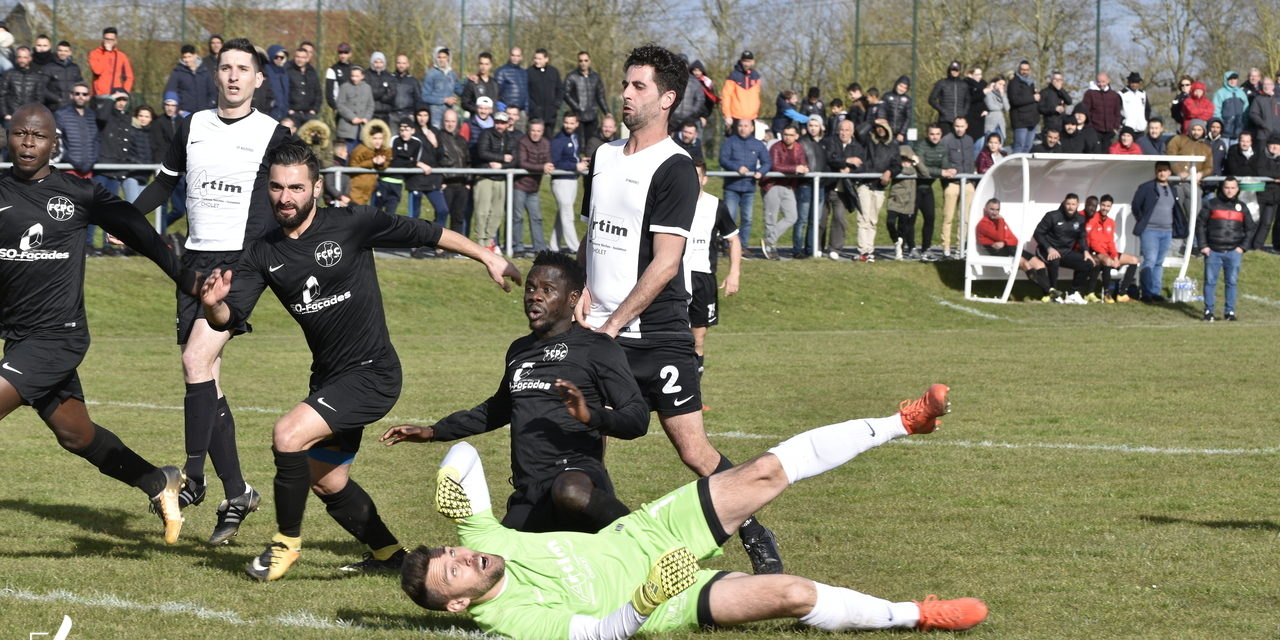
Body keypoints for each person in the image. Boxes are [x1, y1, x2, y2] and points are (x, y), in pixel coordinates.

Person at [399, 384, 989, 638]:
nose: (464, 557)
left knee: (764, 470)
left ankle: (905, 421)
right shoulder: (513, 620)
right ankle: (917, 615)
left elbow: (463, 456)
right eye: (454, 571)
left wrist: (451, 482)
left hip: (646, 533)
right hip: (666, 599)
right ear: (458, 604)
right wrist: (647, 598)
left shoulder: (482, 540)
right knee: (792, 594)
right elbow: (599, 634)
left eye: (453, 552)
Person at [198, 139, 520, 581]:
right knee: (325, 479)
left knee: (288, 434)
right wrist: (214, 305)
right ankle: (389, 554)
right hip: (329, 379)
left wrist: (485, 255)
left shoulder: (353, 223)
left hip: (373, 374)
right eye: (277, 187)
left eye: (296, 187)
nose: (285, 197)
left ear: (316, 188)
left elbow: (427, 232)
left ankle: (285, 544)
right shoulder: (262, 251)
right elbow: (231, 318)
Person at [577, 44, 781, 575]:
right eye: (625, 83)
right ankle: (603, 552)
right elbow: (591, 235)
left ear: (666, 99)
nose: (625, 93)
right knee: (584, 441)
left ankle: (754, 530)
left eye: (638, 86)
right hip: (599, 332)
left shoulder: (675, 168)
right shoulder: (602, 157)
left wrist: (614, 324)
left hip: (656, 333)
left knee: (694, 451)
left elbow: (667, 262)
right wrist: (582, 289)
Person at [0, 103, 196, 546]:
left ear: (54, 144)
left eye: (38, 136)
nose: (28, 143)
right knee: (76, 434)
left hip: (59, 337)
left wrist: (185, 277)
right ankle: (158, 480)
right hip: (20, 339)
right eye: (20, 133)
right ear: (8, 137)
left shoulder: (79, 193)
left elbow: (138, 230)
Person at [131, 38, 293, 545]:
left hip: (243, 262)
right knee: (208, 380)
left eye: (244, 68)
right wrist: (126, 218)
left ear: (259, 79)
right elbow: (165, 184)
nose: (234, 75)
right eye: (226, 67)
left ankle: (193, 477)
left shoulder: (274, 134)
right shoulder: (191, 125)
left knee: (195, 360)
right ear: (215, 74)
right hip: (193, 261)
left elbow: (289, 200)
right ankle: (238, 491)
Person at [382, 251, 645, 532]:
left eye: (547, 289)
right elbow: (497, 409)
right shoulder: (519, 350)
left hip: (576, 479)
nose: (535, 296)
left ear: (572, 298)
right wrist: (434, 431)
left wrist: (590, 415)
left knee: (569, 492)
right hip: (531, 490)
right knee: (497, 556)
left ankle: (638, 535)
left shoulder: (598, 347)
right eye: (530, 288)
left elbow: (637, 419)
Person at [686, 160, 742, 388]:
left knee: (698, 337)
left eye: (697, 176)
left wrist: (734, 273)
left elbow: (733, 240)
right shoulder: (670, 202)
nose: (693, 181)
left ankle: (693, 391)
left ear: (705, 179)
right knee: (671, 335)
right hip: (673, 277)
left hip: (703, 278)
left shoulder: (715, 205)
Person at [1130, 162, 1188, 303]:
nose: (1162, 173)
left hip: (1167, 231)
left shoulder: (1173, 189)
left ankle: (1155, 292)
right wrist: (1143, 220)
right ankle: (1146, 293)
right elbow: (1136, 205)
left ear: (1169, 173)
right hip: (1150, 230)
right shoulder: (1146, 187)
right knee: (1149, 260)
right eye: (1159, 170)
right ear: (1156, 172)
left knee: (1159, 262)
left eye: (1165, 170)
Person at [1196, 177, 1251, 322]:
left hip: (1233, 252)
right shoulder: (1211, 204)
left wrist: (1242, 247)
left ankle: (1230, 312)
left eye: (1233, 188)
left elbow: (1250, 229)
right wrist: (1203, 246)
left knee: (1231, 282)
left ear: (1237, 189)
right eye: (1227, 187)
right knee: (1210, 282)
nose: (1229, 191)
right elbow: (1200, 225)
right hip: (1213, 251)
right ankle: (1209, 311)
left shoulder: (1242, 207)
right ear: (1222, 188)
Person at [1032, 194, 1098, 304]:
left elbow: (1082, 237)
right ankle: (1054, 294)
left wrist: (1086, 251)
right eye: (1068, 204)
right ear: (1064, 203)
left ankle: (1072, 293)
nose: (1070, 207)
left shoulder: (1080, 219)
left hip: (1065, 252)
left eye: (1073, 204)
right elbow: (1038, 233)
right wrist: (1049, 248)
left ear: (1077, 205)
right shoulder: (1052, 216)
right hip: (1045, 250)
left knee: (1088, 263)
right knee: (1054, 258)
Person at [855, 118, 902, 261]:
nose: (880, 129)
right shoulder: (869, 141)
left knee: (872, 220)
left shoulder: (893, 146)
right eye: (877, 127)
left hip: (879, 187)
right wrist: (872, 121)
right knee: (863, 219)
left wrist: (889, 172)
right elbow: (859, 132)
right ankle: (863, 251)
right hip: (865, 184)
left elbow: (897, 165)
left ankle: (870, 250)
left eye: (883, 127)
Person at [718, 118, 770, 249]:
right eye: (740, 125)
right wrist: (737, 168)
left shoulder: (758, 144)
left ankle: (743, 247)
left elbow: (767, 162)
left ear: (752, 128)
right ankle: (727, 246)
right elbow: (723, 159)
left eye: (746, 126)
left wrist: (761, 172)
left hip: (749, 188)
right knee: (730, 217)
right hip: (731, 187)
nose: (743, 128)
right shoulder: (730, 142)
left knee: (747, 219)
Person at [760, 124, 807, 260]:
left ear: (796, 136)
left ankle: (769, 240)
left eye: (791, 135)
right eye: (785, 134)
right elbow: (775, 166)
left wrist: (804, 168)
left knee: (792, 217)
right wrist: (795, 169)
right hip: (772, 184)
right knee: (771, 219)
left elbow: (802, 163)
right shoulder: (776, 147)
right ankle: (770, 249)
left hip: (788, 186)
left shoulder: (799, 148)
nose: (787, 137)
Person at [1084, 195, 1139, 302]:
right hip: (1097, 253)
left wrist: (1115, 257)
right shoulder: (1092, 219)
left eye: (1108, 206)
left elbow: (1111, 242)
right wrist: (1109, 257)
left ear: (1111, 207)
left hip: (1108, 253)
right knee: (1108, 261)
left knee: (1134, 260)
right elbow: (1093, 242)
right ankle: (1107, 294)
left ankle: (1122, 293)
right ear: (1100, 205)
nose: (1105, 208)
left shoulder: (1110, 222)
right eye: (1103, 205)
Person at [513, 118, 554, 257]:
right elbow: (522, 163)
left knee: (536, 218)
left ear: (542, 132)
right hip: (519, 186)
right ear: (528, 130)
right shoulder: (522, 142)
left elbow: (548, 161)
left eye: (538, 131)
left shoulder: (546, 143)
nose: (535, 133)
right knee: (517, 218)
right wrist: (542, 167)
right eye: (533, 130)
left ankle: (540, 249)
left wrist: (547, 166)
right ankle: (517, 248)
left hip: (534, 188)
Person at [822, 119, 862, 260]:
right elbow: (829, 158)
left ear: (852, 132)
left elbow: (862, 166)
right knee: (821, 218)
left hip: (843, 189)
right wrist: (847, 161)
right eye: (842, 130)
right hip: (826, 186)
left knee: (839, 218)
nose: (844, 133)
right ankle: (818, 247)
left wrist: (850, 171)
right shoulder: (830, 142)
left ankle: (835, 248)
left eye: (847, 130)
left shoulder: (858, 147)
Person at [550, 113, 588, 253]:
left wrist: (580, 162)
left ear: (576, 124)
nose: (568, 125)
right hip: (561, 181)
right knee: (567, 214)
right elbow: (555, 162)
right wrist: (575, 166)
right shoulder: (558, 140)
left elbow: (572, 157)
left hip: (572, 180)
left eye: (571, 123)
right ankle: (575, 247)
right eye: (566, 122)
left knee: (563, 212)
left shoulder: (575, 137)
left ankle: (553, 246)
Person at [939, 117, 975, 258]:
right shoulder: (946, 140)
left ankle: (960, 248)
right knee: (948, 217)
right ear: (953, 126)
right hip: (952, 184)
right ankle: (946, 248)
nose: (959, 129)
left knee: (965, 219)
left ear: (966, 126)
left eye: (962, 126)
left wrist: (972, 181)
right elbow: (942, 160)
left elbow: (971, 161)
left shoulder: (970, 140)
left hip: (968, 183)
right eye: (957, 126)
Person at [887, 144, 925, 260]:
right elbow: (896, 170)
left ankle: (899, 252)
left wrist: (917, 162)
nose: (905, 163)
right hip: (895, 200)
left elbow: (925, 173)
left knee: (903, 228)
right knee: (890, 222)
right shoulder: (896, 168)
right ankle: (896, 240)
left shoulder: (915, 169)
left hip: (908, 203)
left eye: (907, 160)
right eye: (902, 160)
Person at [563, 51, 609, 145]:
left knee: (592, 142)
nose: (583, 63)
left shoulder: (596, 77)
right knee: (577, 142)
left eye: (585, 60)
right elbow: (565, 94)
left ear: (589, 61)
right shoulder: (571, 76)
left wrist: (607, 112)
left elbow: (600, 96)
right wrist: (577, 107)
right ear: (578, 62)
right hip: (577, 116)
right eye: (581, 61)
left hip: (592, 115)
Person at [349, 118, 392, 206]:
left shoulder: (385, 149)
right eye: (374, 138)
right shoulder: (361, 149)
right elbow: (352, 166)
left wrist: (381, 163)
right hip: (356, 187)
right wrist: (372, 162)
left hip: (369, 188)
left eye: (380, 138)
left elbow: (387, 161)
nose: (378, 141)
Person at [87, 27, 133, 107]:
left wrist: (124, 92)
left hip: (116, 96)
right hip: (100, 96)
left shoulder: (121, 56)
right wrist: (107, 53)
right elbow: (97, 71)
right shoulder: (94, 54)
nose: (108, 42)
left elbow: (129, 77)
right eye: (106, 39)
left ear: (115, 41)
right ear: (103, 39)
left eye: (111, 39)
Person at [163, 44, 213, 116]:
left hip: (203, 113)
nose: (186, 60)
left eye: (189, 57)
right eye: (184, 57)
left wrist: (209, 107)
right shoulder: (177, 72)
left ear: (195, 56)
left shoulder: (205, 71)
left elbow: (212, 92)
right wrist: (178, 110)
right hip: (185, 113)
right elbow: (170, 92)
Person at [1251, 134, 1280, 252]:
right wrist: (1275, 177)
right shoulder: (1261, 156)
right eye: (1272, 144)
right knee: (1255, 221)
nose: (1274, 147)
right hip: (1260, 193)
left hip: (1274, 196)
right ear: (1267, 145)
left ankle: (1257, 246)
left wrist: (1273, 176)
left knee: (1267, 222)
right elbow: (1260, 171)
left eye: (1277, 145)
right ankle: (1248, 245)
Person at [720, 50, 762, 130]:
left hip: (752, 117)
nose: (746, 64)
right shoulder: (733, 76)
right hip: (736, 117)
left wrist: (756, 113)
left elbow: (757, 96)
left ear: (753, 62)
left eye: (748, 61)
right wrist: (727, 115)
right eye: (744, 61)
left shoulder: (756, 76)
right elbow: (726, 96)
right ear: (741, 61)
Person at [420, 47, 460, 129]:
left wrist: (469, 81)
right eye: (439, 57)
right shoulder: (431, 74)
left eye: (444, 57)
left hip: (449, 113)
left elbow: (459, 89)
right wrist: (444, 100)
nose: (442, 60)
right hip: (435, 114)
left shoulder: (452, 74)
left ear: (448, 58)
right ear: (435, 58)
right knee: (436, 134)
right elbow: (425, 97)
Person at [928, 61, 968, 136]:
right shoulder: (942, 83)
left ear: (959, 71)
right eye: (952, 70)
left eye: (956, 70)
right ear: (949, 70)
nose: (954, 72)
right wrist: (943, 111)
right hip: (945, 120)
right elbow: (931, 99)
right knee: (946, 141)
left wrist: (963, 113)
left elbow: (967, 101)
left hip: (959, 121)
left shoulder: (964, 85)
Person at [1081, 73, 1121, 148]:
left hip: (1109, 132)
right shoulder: (1090, 94)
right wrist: (1090, 127)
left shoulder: (1114, 95)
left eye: (1103, 82)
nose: (1101, 84)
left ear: (1108, 81)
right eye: (1098, 82)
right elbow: (1085, 111)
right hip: (1094, 130)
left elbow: (1117, 112)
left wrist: (1115, 127)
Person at [40, 40, 84, 110]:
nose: (63, 53)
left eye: (65, 51)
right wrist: (57, 99)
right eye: (60, 50)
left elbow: (81, 86)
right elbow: (42, 88)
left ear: (70, 52)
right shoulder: (48, 67)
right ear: (57, 51)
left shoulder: (75, 68)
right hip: (55, 108)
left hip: (72, 107)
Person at [1007, 60, 1038, 154]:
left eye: (1027, 70)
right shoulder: (1014, 83)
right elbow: (1014, 100)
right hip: (1020, 120)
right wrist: (1032, 98)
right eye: (1022, 69)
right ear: (1018, 69)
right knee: (1019, 146)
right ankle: (1016, 164)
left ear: (1030, 70)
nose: (1024, 72)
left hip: (1032, 120)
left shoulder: (1030, 83)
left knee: (1028, 147)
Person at [286, 46, 321, 124]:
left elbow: (318, 92)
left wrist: (314, 110)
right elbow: (283, 92)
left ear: (307, 59)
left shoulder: (312, 72)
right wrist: (289, 109)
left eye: (302, 57)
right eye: (297, 57)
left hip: (309, 114)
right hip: (293, 114)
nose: (300, 59)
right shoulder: (288, 71)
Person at [527, 48, 563, 124]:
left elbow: (560, 89)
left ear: (546, 59)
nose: (537, 61)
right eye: (535, 58)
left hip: (551, 115)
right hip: (535, 115)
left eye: (539, 59)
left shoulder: (553, 72)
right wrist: (533, 107)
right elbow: (526, 92)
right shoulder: (529, 72)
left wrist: (556, 105)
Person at [1213, 71, 1247, 147]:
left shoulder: (1241, 93)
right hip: (1224, 130)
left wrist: (1244, 123)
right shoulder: (1220, 93)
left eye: (1235, 79)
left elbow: (1246, 110)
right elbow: (1216, 111)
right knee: (1224, 150)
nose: (1233, 81)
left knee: (1235, 150)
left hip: (1238, 128)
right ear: (1226, 80)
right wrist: (1221, 124)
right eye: (1230, 79)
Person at [460, 52, 499, 119]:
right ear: (478, 65)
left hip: (492, 120)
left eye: (486, 64)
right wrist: (478, 109)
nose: (483, 67)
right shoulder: (472, 83)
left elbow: (497, 101)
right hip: (476, 120)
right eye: (481, 63)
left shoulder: (495, 84)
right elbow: (464, 103)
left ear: (490, 65)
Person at [1037, 70, 1071, 136]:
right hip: (1049, 125)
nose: (1057, 81)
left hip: (1062, 125)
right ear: (1051, 80)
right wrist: (1054, 109)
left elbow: (1069, 101)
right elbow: (1040, 108)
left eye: (1059, 79)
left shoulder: (1062, 92)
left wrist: (1061, 90)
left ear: (1062, 81)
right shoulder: (1045, 92)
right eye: (1055, 79)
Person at [496, 47, 529, 112]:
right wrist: (501, 107)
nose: (515, 58)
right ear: (509, 56)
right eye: (513, 55)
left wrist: (527, 108)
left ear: (521, 57)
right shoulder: (501, 71)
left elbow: (526, 93)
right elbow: (497, 92)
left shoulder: (524, 73)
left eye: (518, 56)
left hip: (521, 111)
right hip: (507, 110)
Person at [324, 42, 354, 112]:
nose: (343, 55)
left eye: (345, 53)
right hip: (341, 108)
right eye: (340, 53)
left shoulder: (355, 69)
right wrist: (335, 107)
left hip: (354, 107)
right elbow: (329, 94)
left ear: (350, 54)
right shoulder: (332, 70)